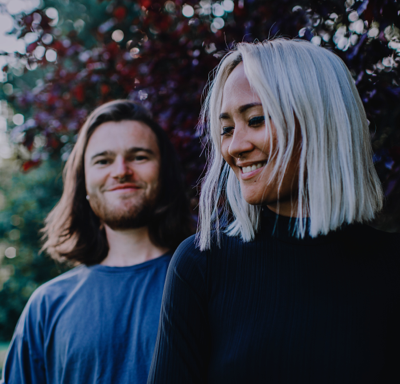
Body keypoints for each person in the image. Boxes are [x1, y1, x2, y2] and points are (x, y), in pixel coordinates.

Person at [148, 39, 400, 384]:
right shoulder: (200, 265)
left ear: (321, 121)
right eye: (226, 129)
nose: (235, 147)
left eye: (255, 120)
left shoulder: (391, 267)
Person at [1, 100, 192, 384]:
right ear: (84, 182)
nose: (121, 171)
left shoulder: (205, 285)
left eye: (139, 157)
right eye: (103, 161)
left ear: (164, 173)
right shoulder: (46, 307)